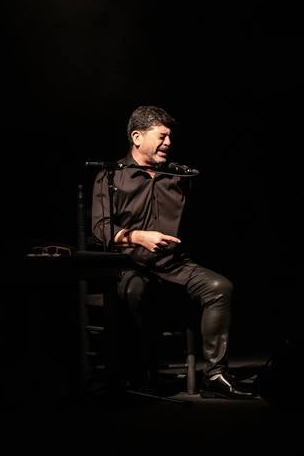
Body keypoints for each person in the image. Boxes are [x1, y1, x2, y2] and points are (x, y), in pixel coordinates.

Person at [91, 104, 255, 399]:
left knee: (219, 287)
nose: (169, 143)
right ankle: (140, 371)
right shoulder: (111, 176)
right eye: (162, 136)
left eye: (170, 137)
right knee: (134, 291)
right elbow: (100, 228)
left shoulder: (179, 178)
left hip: (174, 265)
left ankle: (215, 373)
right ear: (137, 137)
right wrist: (138, 237)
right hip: (130, 264)